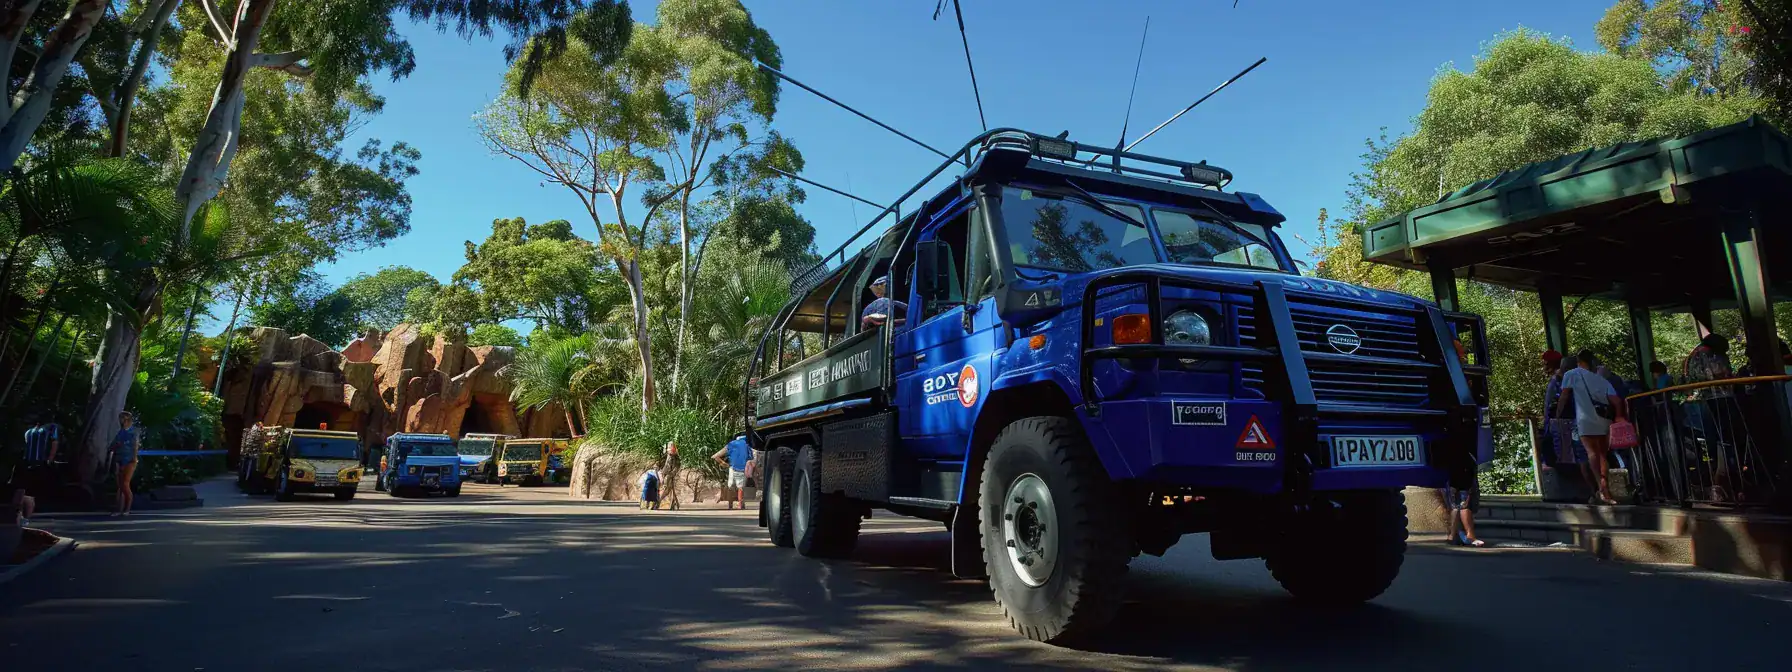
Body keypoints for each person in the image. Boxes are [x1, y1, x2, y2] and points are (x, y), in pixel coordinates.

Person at [1556, 350, 1624, 505]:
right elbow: (1617, 402)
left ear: (1578, 361)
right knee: (1602, 455)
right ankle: (1605, 490)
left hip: (1585, 421)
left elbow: (1565, 396)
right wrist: (1619, 417)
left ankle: (1601, 489)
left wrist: (1558, 415)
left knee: (1591, 454)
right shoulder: (1602, 380)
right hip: (1604, 420)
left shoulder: (1571, 374)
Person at [1536, 350, 1565, 471]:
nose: (1543, 366)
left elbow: (1551, 405)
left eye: (1545, 363)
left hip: (1555, 423)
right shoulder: (1559, 379)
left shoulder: (1557, 380)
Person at [110, 411, 142, 516]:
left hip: (129, 460)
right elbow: (113, 445)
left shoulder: (134, 432)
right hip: (119, 458)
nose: (121, 421)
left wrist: (134, 458)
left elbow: (135, 446)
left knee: (125, 484)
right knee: (120, 485)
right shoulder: (120, 432)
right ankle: (118, 508)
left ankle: (127, 508)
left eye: (122, 418)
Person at [712, 434, 753, 510]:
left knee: (730, 487)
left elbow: (715, 456)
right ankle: (740, 505)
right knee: (741, 487)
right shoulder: (748, 445)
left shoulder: (730, 445)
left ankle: (730, 505)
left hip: (732, 468)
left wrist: (724, 463)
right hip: (743, 468)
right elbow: (751, 459)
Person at [1444, 479, 1484, 547]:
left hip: (1450, 476)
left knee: (1454, 505)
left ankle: (1452, 535)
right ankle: (1470, 535)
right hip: (1464, 475)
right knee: (1464, 504)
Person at [661, 441, 681, 510]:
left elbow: (677, 466)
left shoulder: (675, 457)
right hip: (666, 474)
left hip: (670, 474)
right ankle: (673, 504)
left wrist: (672, 473)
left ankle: (672, 504)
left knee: (668, 489)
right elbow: (666, 466)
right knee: (668, 489)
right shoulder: (668, 456)